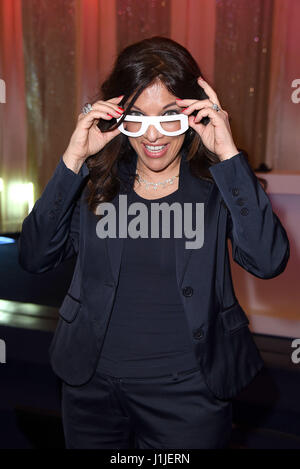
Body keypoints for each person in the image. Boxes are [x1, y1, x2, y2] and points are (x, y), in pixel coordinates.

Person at [18, 36, 290, 449]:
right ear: (118, 116)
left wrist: (229, 156)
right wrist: (72, 160)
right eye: (137, 118)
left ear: (193, 113)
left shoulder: (218, 184)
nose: (153, 136)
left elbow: (268, 260)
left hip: (188, 395)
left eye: (168, 116)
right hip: (92, 390)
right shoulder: (97, 181)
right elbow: (35, 256)